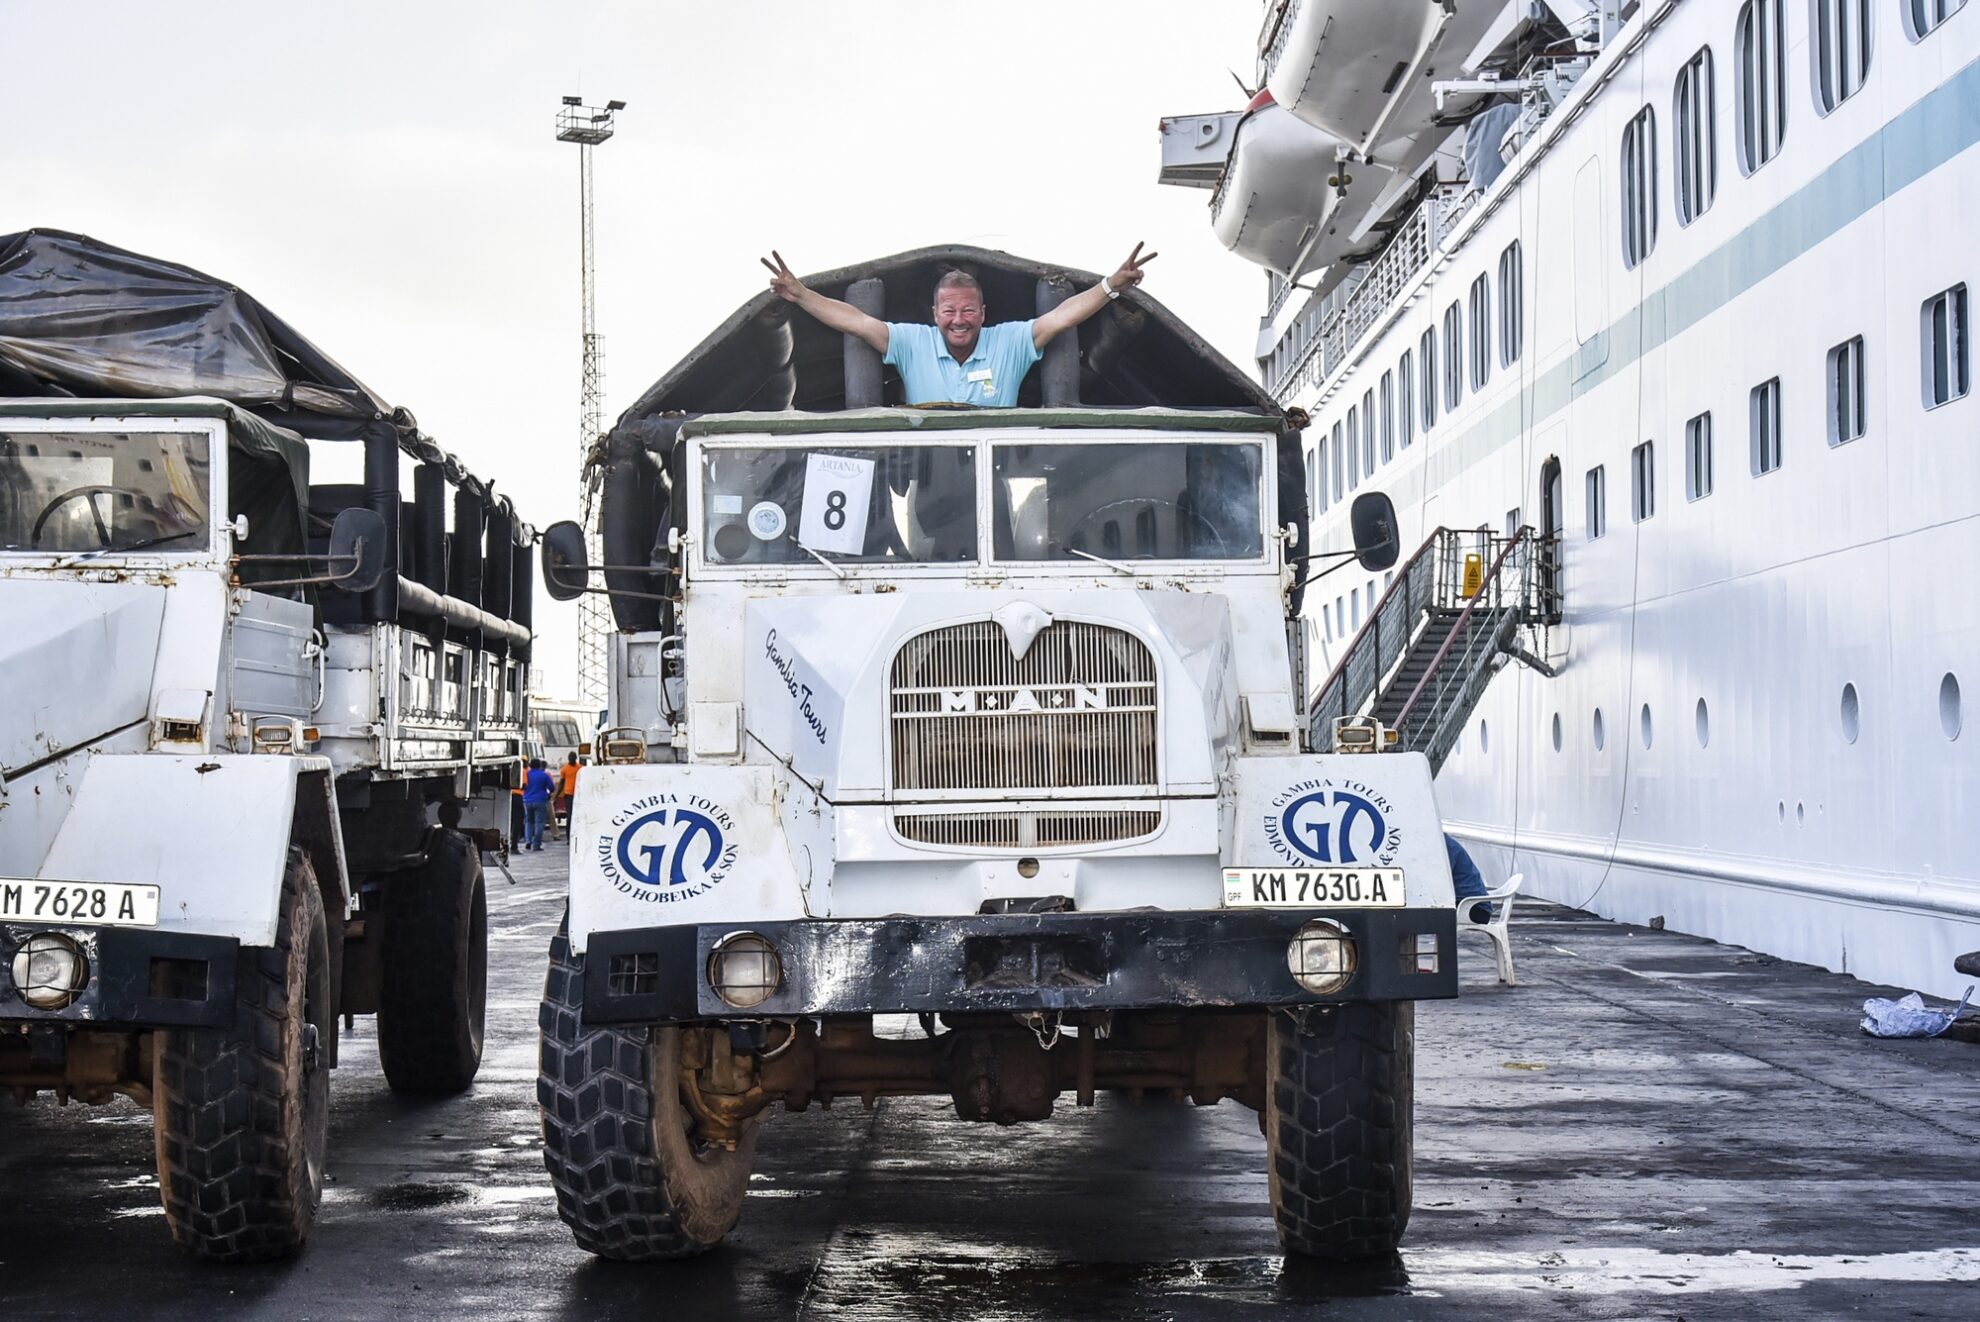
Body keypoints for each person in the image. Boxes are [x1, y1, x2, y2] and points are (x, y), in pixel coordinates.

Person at [759, 245, 1158, 407]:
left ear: (983, 313)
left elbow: (1062, 316)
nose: (958, 321)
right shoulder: (912, 342)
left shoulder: (1011, 341)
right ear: (934, 315)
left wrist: (1110, 286)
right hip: (930, 483)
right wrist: (800, 293)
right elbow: (856, 320)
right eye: (949, 312)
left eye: (968, 311)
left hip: (996, 476)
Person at [1446, 834, 1492, 924]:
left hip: (1475, 908)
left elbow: (1443, 879)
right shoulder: (1447, 843)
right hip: (1473, 904)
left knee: (1429, 913)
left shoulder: (1446, 848)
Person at [521, 758, 556, 852]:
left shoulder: (526, 774)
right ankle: (536, 844)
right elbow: (552, 787)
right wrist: (547, 794)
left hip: (527, 800)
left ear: (530, 765)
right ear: (540, 765)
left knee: (528, 822)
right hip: (540, 800)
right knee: (539, 823)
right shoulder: (544, 775)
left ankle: (528, 841)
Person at [554, 752, 581, 838]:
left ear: (576, 758)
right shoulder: (564, 769)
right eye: (570, 757)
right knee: (569, 816)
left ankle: (578, 834)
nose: (571, 759)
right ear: (568, 758)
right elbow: (561, 783)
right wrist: (556, 795)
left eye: (573, 757)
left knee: (578, 816)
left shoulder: (580, 768)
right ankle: (569, 836)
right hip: (568, 795)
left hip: (579, 795)